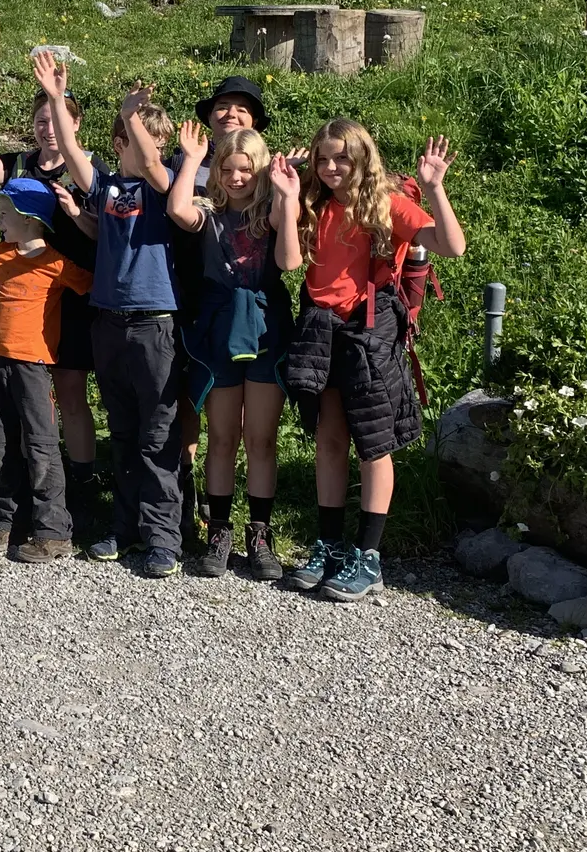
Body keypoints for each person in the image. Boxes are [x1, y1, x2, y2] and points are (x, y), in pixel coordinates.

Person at [280, 121, 467, 602]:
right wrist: (290, 187)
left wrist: (435, 189)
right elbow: (287, 258)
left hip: (369, 330)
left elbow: (452, 245)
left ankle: (368, 556)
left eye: (341, 158)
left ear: (363, 157)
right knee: (329, 438)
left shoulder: (386, 204)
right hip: (323, 328)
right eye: (323, 158)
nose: (330, 167)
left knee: (373, 442)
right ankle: (330, 546)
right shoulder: (314, 200)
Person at [33, 49, 186, 579]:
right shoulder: (109, 186)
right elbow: (74, 155)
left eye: (158, 142)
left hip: (153, 322)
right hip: (108, 319)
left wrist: (130, 114)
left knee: (157, 433)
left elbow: (153, 167)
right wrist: (56, 98)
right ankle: (125, 528)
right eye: (140, 138)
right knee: (120, 430)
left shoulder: (166, 187)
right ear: (118, 144)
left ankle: (164, 537)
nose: (151, 149)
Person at [0, 82, 101, 531]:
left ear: (75, 124)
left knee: (70, 396)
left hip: (71, 288)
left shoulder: (89, 169)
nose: (47, 129)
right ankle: (21, 501)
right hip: (20, 290)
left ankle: (80, 491)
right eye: (39, 121)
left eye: (56, 120)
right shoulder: (19, 164)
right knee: (20, 403)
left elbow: (103, 234)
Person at [165, 122, 301, 580]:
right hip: (219, 330)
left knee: (260, 440)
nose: (237, 177)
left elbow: (288, 260)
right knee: (221, 439)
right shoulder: (208, 211)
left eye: (245, 168)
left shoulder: (271, 213)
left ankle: (260, 534)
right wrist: (190, 159)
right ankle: (217, 531)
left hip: (265, 328)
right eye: (227, 168)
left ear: (260, 169)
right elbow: (178, 207)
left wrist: (286, 194)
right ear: (217, 171)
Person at [0, 178, 93, 563]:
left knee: (40, 443)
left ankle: (53, 531)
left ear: (30, 218)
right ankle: (7, 522)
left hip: (34, 364)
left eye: (4, 213)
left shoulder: (56, 263)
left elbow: (89, 286)